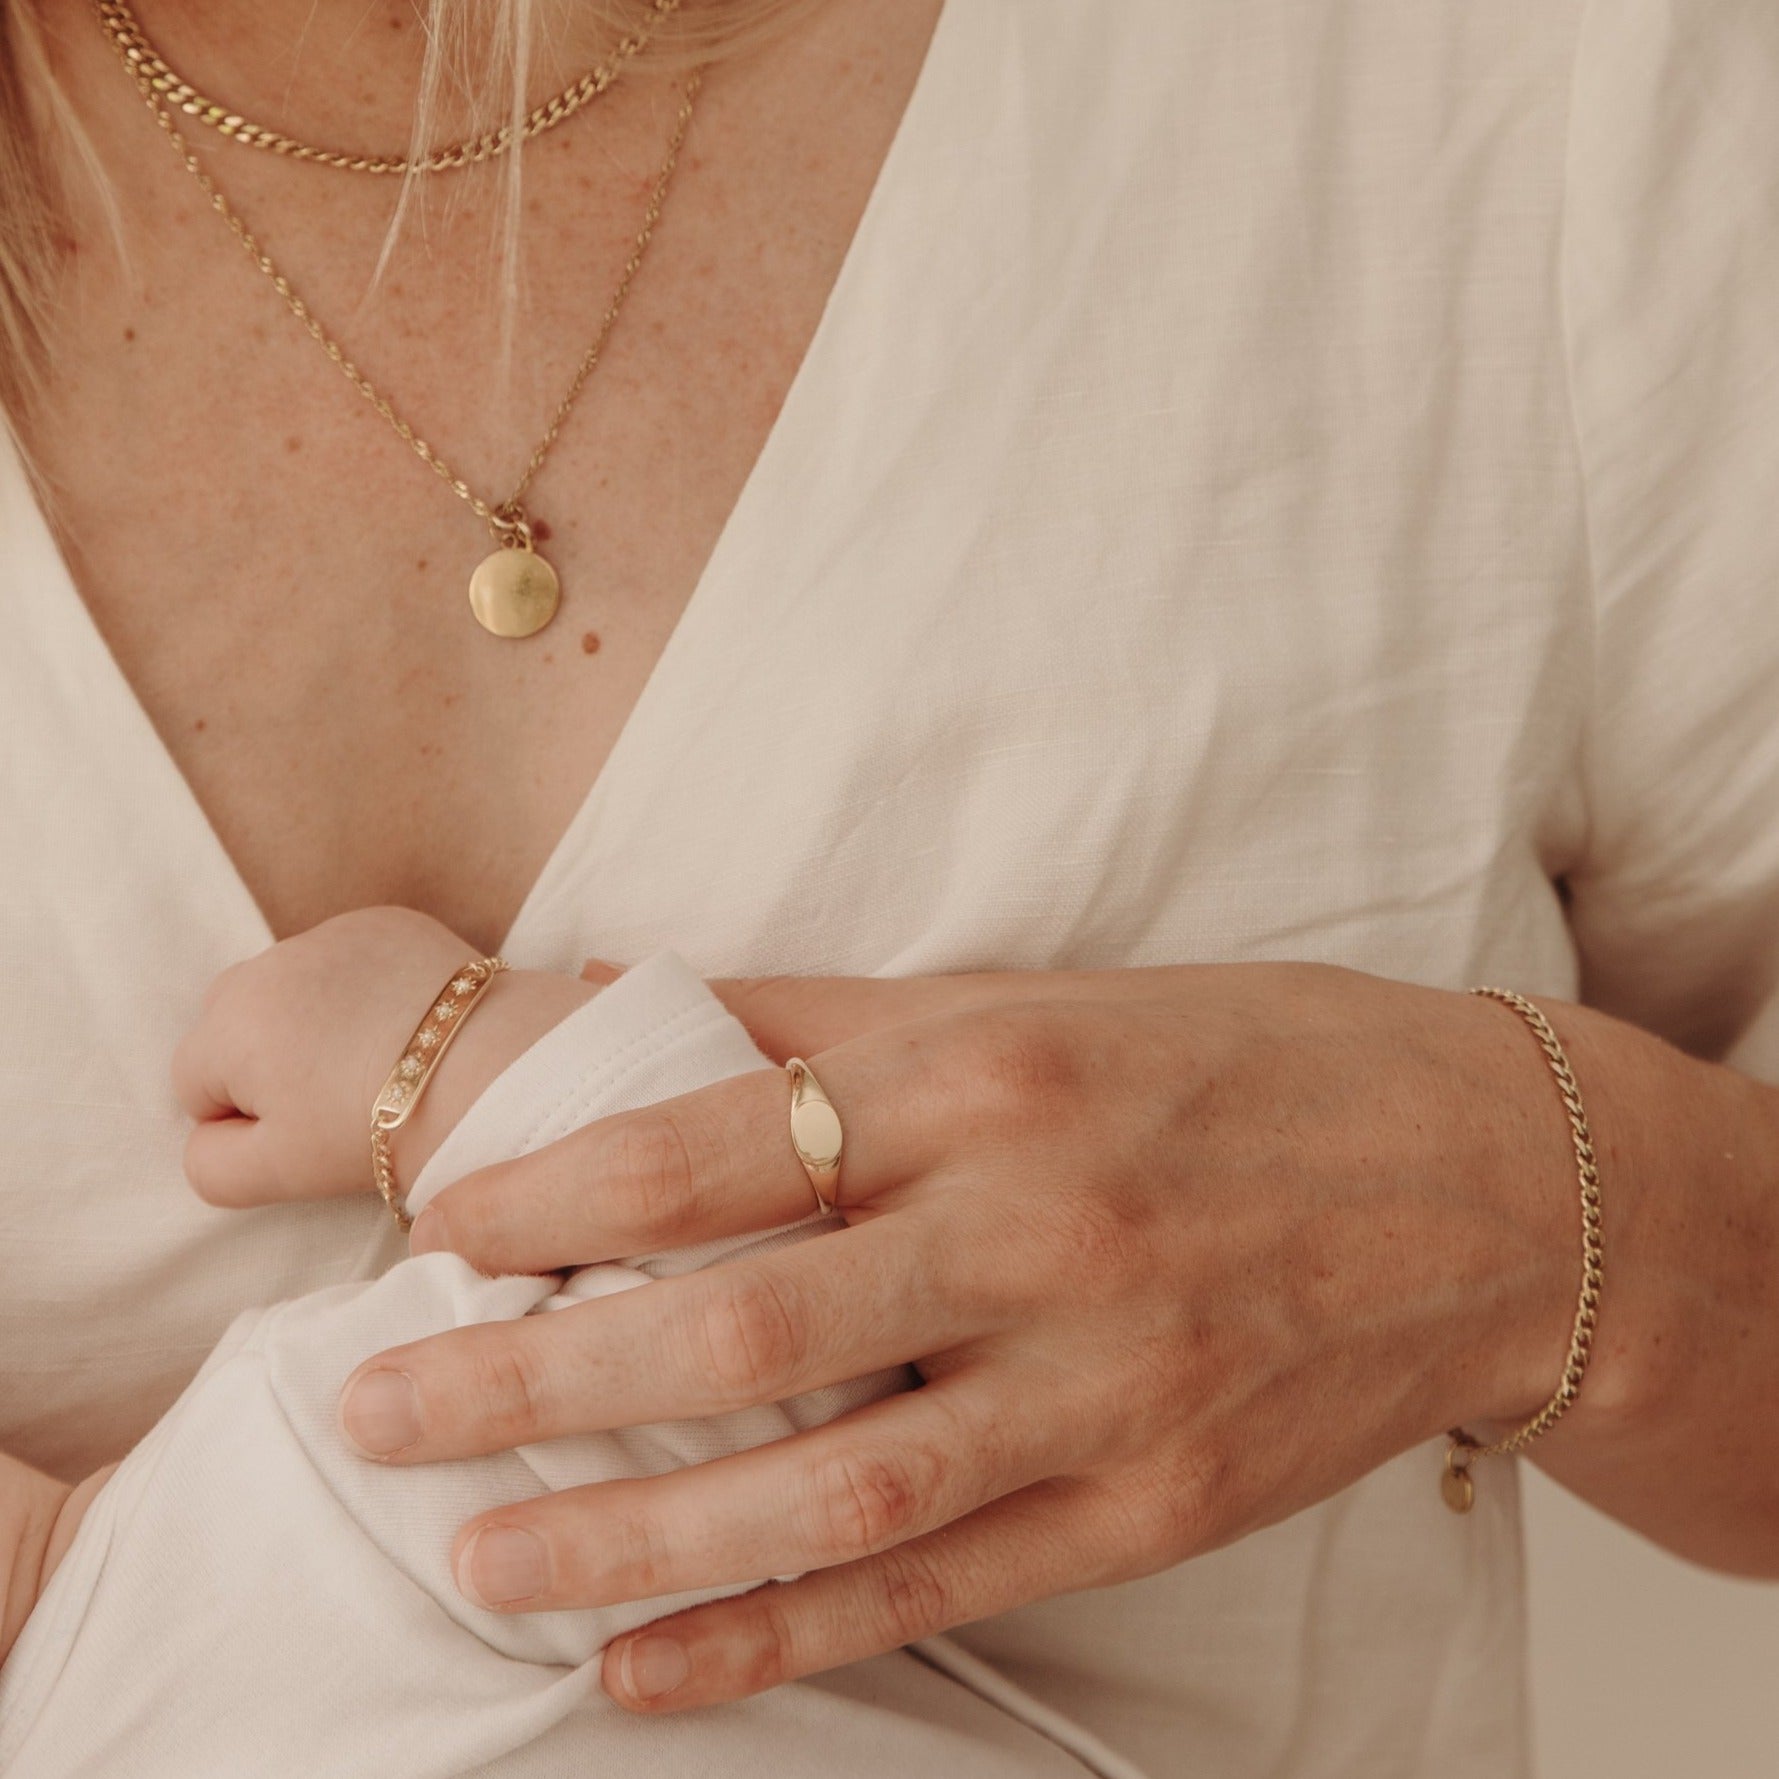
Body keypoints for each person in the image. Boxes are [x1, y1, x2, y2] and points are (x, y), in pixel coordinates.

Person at [3, 2, 1778, 1775]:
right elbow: (710, 1363)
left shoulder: (1512, 83)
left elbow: (692, 1372)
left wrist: (1540, 1197)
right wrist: (457, 1068)